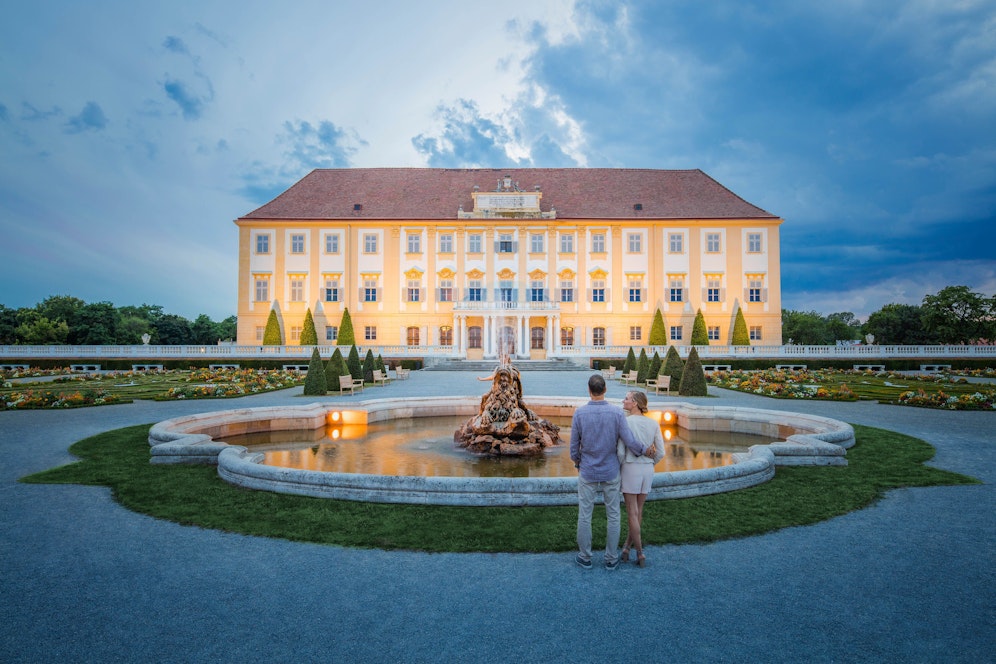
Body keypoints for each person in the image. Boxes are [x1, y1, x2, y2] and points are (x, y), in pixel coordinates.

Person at [570, 374, 653, 570]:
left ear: (589, 391)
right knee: (614, 515)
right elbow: (630, 441)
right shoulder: (616, 414)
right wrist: (645, 450)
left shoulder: (579, 414)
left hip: (588, 470)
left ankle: (585, 557)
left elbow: (574, 448)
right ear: (605, 389)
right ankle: (610, 558)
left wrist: (578, 463)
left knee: (584, 515)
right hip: (610, 470)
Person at [619, 390, 665, 567]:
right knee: (638, 511)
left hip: (631, 467)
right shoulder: (653, 423)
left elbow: (621, 452)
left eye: (627, 398)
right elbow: (660, 452)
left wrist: (622, 465)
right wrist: (650, 463)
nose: (624, 401)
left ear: (635, 403)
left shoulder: (626, 422)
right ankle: (626, 547)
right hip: (647, 469)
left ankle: (639, 553)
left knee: (632, 512)